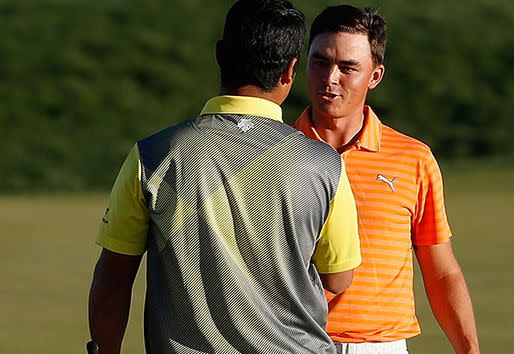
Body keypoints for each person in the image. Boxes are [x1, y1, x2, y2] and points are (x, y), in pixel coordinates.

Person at [88, 1, 362, 353]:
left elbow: (113, 276)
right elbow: (338, 278)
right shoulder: (326, 165)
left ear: (220, 56)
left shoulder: (153, 154)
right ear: (290, 70)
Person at [293, 5, 480, 354]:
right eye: (319, 62)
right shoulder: (274, 156)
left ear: (375, 76)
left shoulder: (414, 158)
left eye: (348, 68)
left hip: (381, 346)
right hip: (293, 342)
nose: (330, 78)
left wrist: (469, 349)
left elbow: (441, 271)